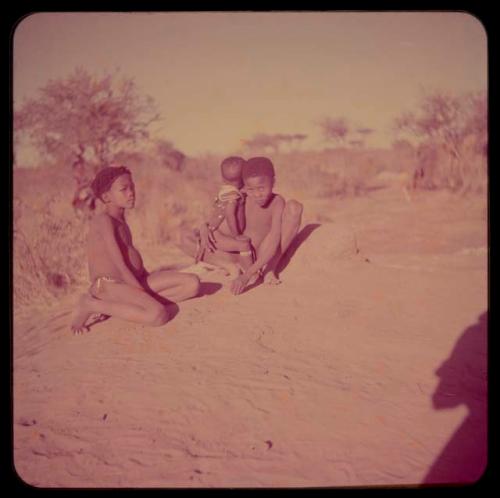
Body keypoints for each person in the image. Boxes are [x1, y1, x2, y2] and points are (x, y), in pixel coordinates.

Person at [71, 165, 200, 334]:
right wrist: (140, 290)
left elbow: (130, 258)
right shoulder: (103, 221)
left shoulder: (121, 221)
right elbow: (119, 264)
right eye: (123, 189)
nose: (131, 192)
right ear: (106, 196)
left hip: (132, 282)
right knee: (158, 315)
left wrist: (145, 279)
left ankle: (129, 307)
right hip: (108, 286)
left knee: (192, 284)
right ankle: (92, 304)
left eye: (132, 187)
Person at [181, 156, 254, 277]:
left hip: (216, 232)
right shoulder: (232, 196)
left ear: (223, 178)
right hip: (220, 236)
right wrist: (237, 235)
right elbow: (230, 215)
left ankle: (224, 265)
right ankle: (250, 272)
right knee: (243, 244)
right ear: (243, 179)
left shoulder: (225, 191)